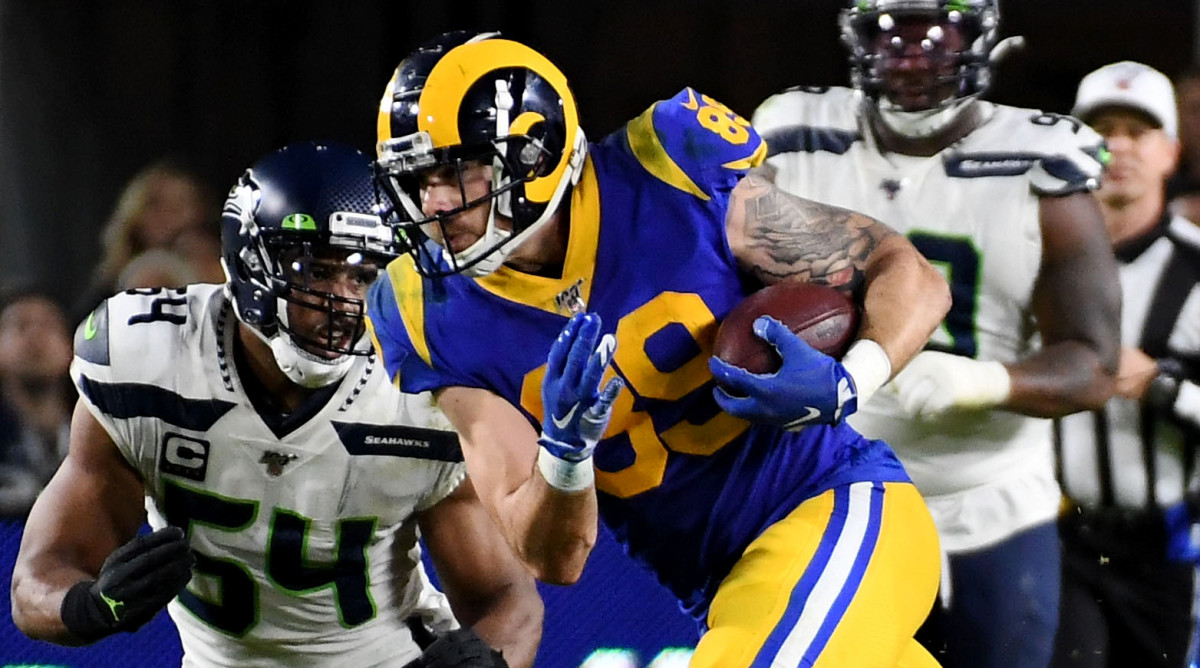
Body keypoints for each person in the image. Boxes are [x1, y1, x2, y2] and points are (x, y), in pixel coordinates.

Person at [367, 31, 952, 667]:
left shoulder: (667, 169)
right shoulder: (422, 312)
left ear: (534, 154)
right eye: (417, 180)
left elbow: (907, 273)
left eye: (455, 172)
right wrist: (564, 456)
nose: (435, 203)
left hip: (837, 506)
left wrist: (851, 381)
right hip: (730, 592)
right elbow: (553, 559)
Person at [11, 141, 542, 667]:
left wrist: (488, 664)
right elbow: (39, 577)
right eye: (314, 269)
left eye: (362, 275)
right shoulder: (150, 358)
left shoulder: (420, 384)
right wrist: (89, 606)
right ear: (246, 264)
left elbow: (505, 600)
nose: (341, 303)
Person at [751, 2, 1121, 667]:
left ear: (978, 36)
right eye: (888, 32)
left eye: (935, 32)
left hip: (989, 497)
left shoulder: (1041, 161)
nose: (913, 55)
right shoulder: (795, 136)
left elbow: (1094, 363)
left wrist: (983, 382)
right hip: (833, 489)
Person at [1051, 61, 1200, 668]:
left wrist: (1160, 387)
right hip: (1058, 536)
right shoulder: (1033, 259)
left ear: (1170, 152)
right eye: (1102, 128)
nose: (1117, 145)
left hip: (1167, 547)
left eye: (1137, 132)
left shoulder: (1195, 271)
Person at [71, 159, 219, 324]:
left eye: (182, 202)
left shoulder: (222, 283)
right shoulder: (104, 295)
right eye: (156, 203)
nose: (169, 212)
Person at [0, 285, 73, 517]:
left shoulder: (103, 433)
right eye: (21, 326)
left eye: (49, 326)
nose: (35, 336)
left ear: (70, 347)